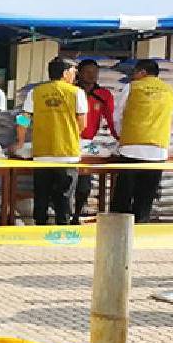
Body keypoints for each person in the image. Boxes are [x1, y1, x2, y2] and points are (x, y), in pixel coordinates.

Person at [111, 58, 173, 222]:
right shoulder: (172, 91)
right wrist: (161, 136)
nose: (133, 76)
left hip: (131, 149)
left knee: (124, 194)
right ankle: (141, 227)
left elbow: (117, 116)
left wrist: (125, 136)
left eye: (135, 72)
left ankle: (120, 230)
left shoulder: (131, 88)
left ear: (142, 72)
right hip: (157, 152)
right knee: (146, 197)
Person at [24, 57, 88, 226]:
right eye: (73, 72)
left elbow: (24, 119)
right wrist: (69, 132)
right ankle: (63, 227)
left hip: (42, 153)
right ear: (65, 73)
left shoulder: (35, 92)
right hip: (67, 153)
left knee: (41, 194)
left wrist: (20, 140)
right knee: (65, 195)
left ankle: (40, 226)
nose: (75, 76)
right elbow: (82, 123)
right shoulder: (77, 93)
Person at [72, 59, 117, 223]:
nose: (92, 76)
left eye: (95, 73)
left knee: (83, 185)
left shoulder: (103, 95)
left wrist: (119, 138)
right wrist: (21, 138)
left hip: (85, 145)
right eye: (87, 72)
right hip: (62, 143)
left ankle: (75, 215)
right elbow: (24, 117)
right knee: (60, 184)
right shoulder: (68, 92)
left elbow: (111, 119)